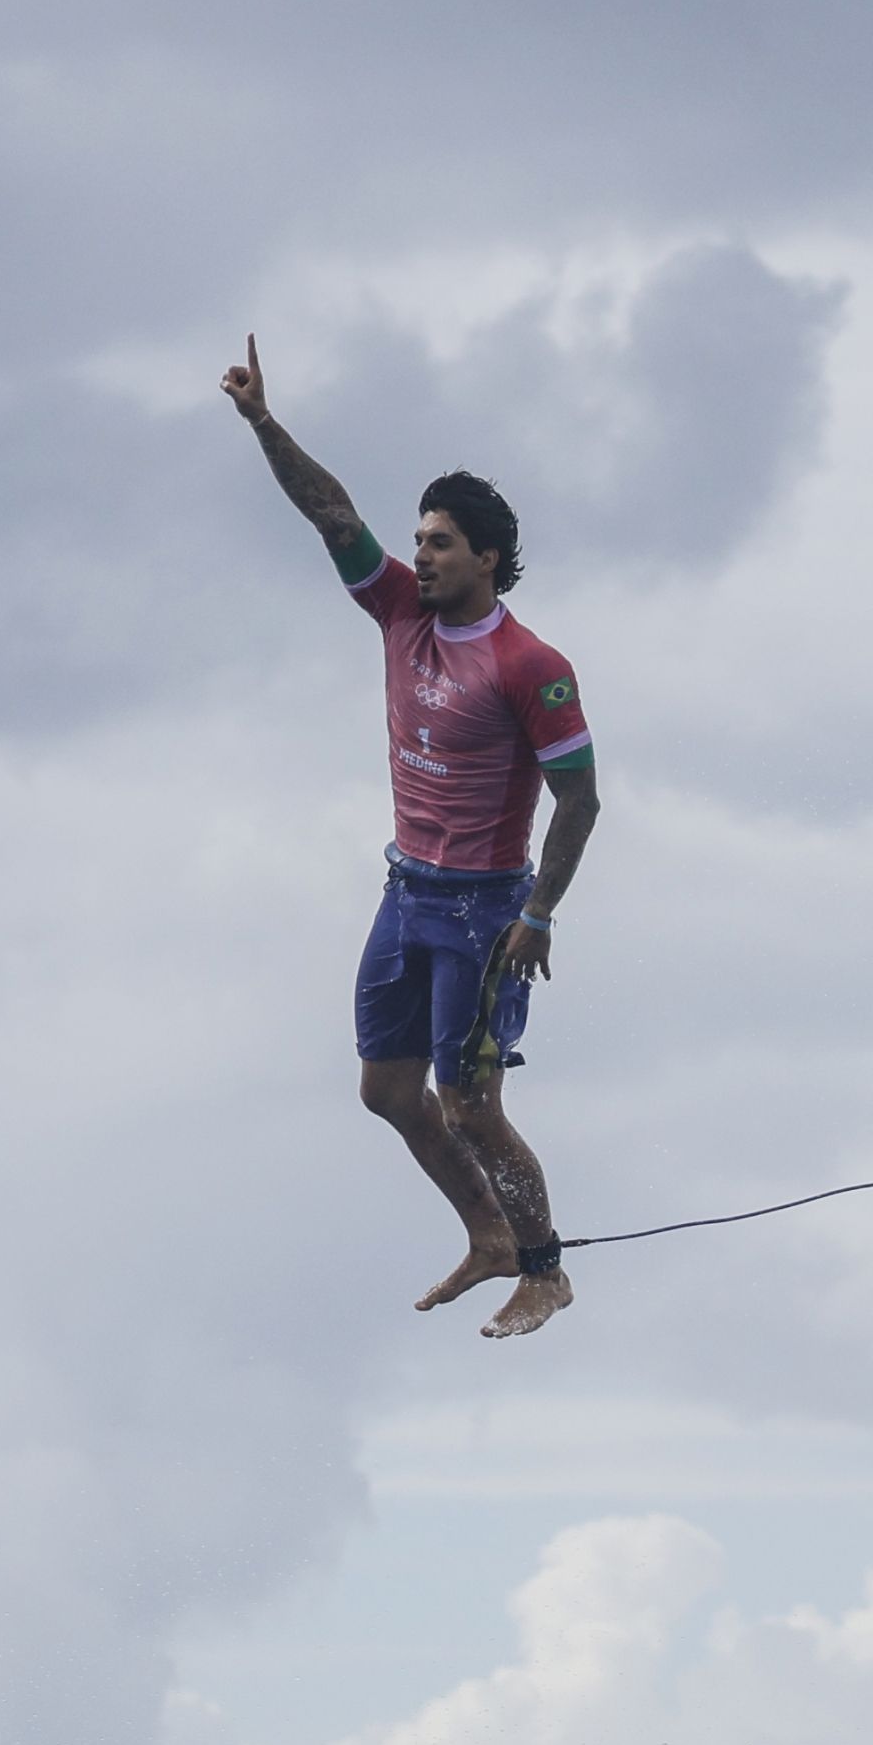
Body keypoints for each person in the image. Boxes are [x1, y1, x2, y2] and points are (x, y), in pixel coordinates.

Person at [222, 335, 600, 1339]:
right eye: (418, 538)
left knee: (470, 1102)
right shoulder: (400, 613)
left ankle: (546, 1269)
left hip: (483, 911)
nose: (419, 553)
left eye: (438, 541)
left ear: (485, 556)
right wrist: (264, 422)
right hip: (405, 892)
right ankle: (488, 1234)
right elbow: (331, 513)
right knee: (388, 1088)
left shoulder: (531, 664)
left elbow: (582, 799)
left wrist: (540, 912)